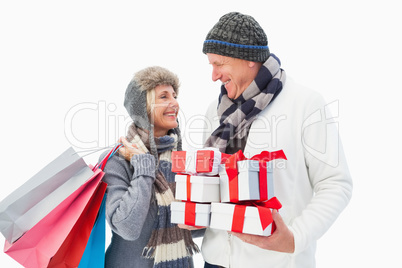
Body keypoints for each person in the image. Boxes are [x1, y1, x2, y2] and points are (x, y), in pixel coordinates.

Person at [200, 12, 353, 268]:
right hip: (215, 261)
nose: (213, 75)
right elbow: (209, 183)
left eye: (220, 64)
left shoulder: (304, 104)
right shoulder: (216, 111)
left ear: (249, 59)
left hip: (276, 262)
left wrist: (295, 239)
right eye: (210, 65)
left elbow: (336, 183)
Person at [101, 66, 201, 268]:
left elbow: (193, 229)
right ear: (143, 109)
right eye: (164, 96)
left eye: (174, 95)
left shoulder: (181, 159)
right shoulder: (117, 160)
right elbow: (126, 227)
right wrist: (144, 167)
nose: (174, 102)